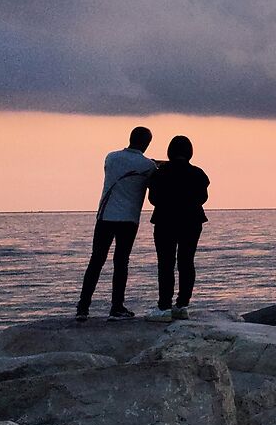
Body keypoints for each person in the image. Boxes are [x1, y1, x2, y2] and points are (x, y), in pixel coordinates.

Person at [79, 126, 157, 321]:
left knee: (96, 261)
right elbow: (151, 175)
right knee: (121, 262)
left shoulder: (111, 157)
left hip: (105, 216)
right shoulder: (148, 166)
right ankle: (116, 306)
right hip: (129, 219)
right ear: (147, 143)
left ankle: (83, 307)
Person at [146, 135, 210, 318]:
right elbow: (203, 198)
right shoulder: (199, 173)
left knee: (165, 263)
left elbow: (153, 199)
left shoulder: (160, 173)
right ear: (190, 152)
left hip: (165, 220)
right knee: (186, 262)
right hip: (192, 221)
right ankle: (182, 305)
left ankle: (164, 306)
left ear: (170, 151)